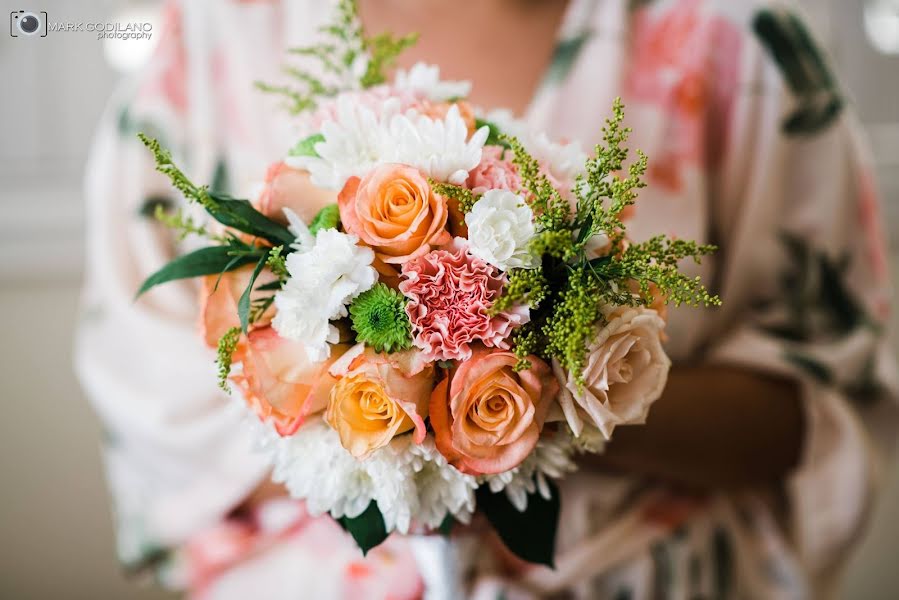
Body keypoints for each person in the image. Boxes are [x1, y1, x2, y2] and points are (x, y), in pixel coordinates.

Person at [77, 0, 899, 597]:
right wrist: (362, 416)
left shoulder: (735, 42)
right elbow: (151, 390)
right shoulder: (215, 33)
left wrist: (517, 405)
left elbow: (816, 401)